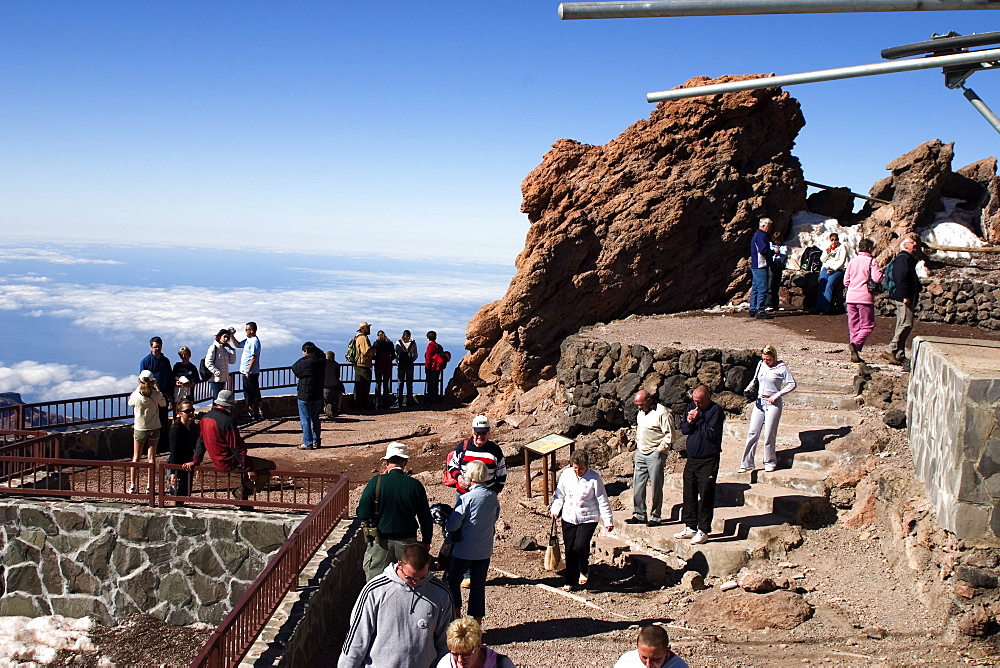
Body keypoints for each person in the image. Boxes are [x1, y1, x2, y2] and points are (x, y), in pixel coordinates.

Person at [339, 543, 453, 668]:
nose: (416, 582)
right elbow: (357, 638)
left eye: (422, 577)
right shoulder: (375, 590)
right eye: (410, 577)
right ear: (400, 565)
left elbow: (447, 642)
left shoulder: (441, 594)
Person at [356, 442, 434, 581]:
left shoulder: (376, 482)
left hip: (380, 542)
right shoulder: (415, 485)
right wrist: (426, 540)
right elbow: (425, 517)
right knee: (409, 582)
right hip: (407, 542)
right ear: (405, 462)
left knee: (376, 583)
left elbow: (362, 513)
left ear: (386, 462)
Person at [183, 390, 276, 501]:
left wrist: (196, 460)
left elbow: (201, 441)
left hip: (217, 460)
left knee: (257, 467)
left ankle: (243, 495)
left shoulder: (206, 418)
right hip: (229, 462)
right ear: (229, 406)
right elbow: (236, 447)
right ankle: (243, 491)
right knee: (269, 465)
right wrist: (248, 468)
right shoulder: (227, 421)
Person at [550, 450, 613, 591]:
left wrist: (608, 520)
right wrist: (555, 510)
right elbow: (559, 495)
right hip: (568, 517)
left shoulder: (594, 478)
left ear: (587, 466)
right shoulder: (566, 475)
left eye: (581, 468)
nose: (578, 471)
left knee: (580, 545)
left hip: (588, 517)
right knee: (569, 548)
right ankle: (570, 580)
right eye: (575, 468)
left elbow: (602, 500)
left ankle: (583, 567)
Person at [446, 461, 500, 623]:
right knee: (478, 586)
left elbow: (454, 524)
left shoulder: (467, 498)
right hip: (484, 549)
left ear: (470, 477)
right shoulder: (492, 497)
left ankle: (456, 616)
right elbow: (495, 518)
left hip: (464, 549)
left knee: (453, 580)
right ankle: (477, 623)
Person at [674, 385, 725, 546]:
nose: (696, 404)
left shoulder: (716, 411)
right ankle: (690, 526)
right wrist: (690, 421)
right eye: (694, 401)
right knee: (689, 493)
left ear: (707, 398)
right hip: (692, 459)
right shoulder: (691, 407)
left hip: (708, 460)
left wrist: (698, 419)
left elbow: (711, 432)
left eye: (699, 402)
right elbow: (684, 429)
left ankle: (703, 529)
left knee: (706, 495)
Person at [739, 345, 796, 474]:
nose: (766, 361)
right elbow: (755, 380)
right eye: (764, 359)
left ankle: (769, 461)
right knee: (752, 432)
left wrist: (777, 394)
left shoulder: (781, 368)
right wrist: (748, 389)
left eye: (768, 359)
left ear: (774, 357)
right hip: (760, 402)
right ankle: (746, 463)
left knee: (769, 433)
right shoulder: (761, 365)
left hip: (773, 404)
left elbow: (792, 384)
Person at [626, 390, 676, 527]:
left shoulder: (662, 412)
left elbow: (670, 434)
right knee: (637, 484)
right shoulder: (641, 413)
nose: (638, 407)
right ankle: (639, 514)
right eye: (637, 405)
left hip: (655, 453)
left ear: (648, 400)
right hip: (641, 452)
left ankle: (656, 516)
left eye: (641, 404)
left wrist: (660, 449)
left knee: (656, 485)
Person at [843, 238, 884, 363]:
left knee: (853, 325)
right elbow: (876, 279)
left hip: (851, 297)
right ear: (870, 249)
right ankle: (856, 344)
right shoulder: (871, 261)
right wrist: (883, 275)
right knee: (867, 325)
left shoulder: (852, 261)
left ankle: (853, 348)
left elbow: (846, 281)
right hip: (864, 297)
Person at [882, 233, 921, 365]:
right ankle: (891, 349)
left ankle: (899, 353)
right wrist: (905, 295)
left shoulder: (905, 258)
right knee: (906, 323)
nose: (915, 244)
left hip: (903, 296)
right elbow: (901, 278)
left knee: (902, 323)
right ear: (905, 245)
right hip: (904, 297)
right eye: (911, 243)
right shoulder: (903, 259)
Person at [446, 415, 507, 496]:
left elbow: (501, 475)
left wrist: (493, 493)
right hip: (463, 494)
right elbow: (452, 466)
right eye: (477, 433)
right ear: (472, 431)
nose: (480, 436)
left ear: (488, 431)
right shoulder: (463, 447)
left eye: (483, 433)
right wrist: (459, 478)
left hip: (486, 495)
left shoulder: (495, 450)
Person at [127, 369, 166, 494]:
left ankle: (133, 485)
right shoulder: (156, 394)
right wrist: (157, 388)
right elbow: (163, 404)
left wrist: (138, 387)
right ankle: (150, 485)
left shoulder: (136, 395)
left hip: (140, 428)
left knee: (136, 457)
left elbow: (130, 403)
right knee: (151, 458)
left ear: (140, 381)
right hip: (154, 427)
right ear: (152, 381)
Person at [435, 617, 515, 668]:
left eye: (466, 654)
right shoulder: (445, 664)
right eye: (455, 654)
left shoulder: (502, 664)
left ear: (478, 646)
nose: (460, 660)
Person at [292, 341, 326, 450]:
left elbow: (295, 368)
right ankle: (316, 441)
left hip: (304, 394)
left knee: (305, 420)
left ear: (306, 351)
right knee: (315, 418)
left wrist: (305, 358)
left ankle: (307, 442)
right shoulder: (321, 360)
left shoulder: (306, 362)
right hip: (317, 393)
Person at [139, 336, 173, 433]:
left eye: (159, 346)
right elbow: (142, 379)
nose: (157, 349)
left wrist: (170, 394)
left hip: (164, 395)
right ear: (151, 347)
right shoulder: (146, 361)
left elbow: (169, 377)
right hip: (151, 396)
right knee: (152, 420)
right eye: (155, 347)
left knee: (163, 420)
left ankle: (164, 443)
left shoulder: (165, 361)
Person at [614, 625, 689, 668]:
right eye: (644, 657)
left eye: (655, 658)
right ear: (637, 646)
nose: (648, 664)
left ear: (667, 651)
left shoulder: (679, 666)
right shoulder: (626, 662)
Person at [231, 322, 263, 420]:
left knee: (251, 393)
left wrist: (248, 371)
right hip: (247, 372)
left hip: (250, 373)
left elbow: (254, 357)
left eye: (246, 329)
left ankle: (253, 412)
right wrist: (232, 336)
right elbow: (238, 345)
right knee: (251, 392)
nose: (245, 331)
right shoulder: (248, 340)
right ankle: (255, 412)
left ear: (252, 330)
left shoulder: (254, 342)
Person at [168, 398, 198, 496]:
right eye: (187, 411)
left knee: (185, 494)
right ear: (180, 413)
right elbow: (173, 451)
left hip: (188, 465)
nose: (190, 413)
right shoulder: (176, 429)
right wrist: (172, 472)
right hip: (177, 466)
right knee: (175, 495)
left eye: (192, 410)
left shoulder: (193, 428)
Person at [814, 233, 848, 314]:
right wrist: (827, 253)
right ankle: (818, 307)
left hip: (837, 269)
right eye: (832, 240)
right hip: (826, 267)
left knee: (829, 285)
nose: (834, 242)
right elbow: (822, 260)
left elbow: (841, 261)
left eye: (835, 240)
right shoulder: (828, 247)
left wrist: (834, 269)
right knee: (822, 284)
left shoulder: (842, 247)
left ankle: (824, 308)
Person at [748, 217, 774, 319]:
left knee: (755, 287)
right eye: (769, 226)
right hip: (760, 264)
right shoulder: (761, 236)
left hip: (755, 264)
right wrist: (772, 252)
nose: (770, 228)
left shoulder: (756, 235)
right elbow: (763, 250)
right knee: (762, 288)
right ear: (764, 226)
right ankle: (760, 310)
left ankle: (753, 308)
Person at [205, 329, 237, 401]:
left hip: (222, 378)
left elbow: (232, 361)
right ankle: (215, 411)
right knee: (217, 399)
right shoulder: (213, 348)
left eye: (227, 338)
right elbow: (208, 362)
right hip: (215, 379)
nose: (226, 339)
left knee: (220, 399)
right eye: (224, 337)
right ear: (219, 337)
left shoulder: (223, 350)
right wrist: (216, 372)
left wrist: (231, 349)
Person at [372, 330, 396, 409]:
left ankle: (377, 404)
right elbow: (393, 355)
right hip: (387, 366)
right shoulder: (389, 344)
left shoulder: (376, 344)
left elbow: (373, 356)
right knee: (386, 385)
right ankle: (386, 404)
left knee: (378, 385)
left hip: (378, 366)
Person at [352, 323, 374, 410]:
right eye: (367, 328)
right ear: (362, 329)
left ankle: (357, 404)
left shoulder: (357, 337)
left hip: (358, 364)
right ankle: (363, 405)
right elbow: (366, 351)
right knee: (364, 385)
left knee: (359, 384)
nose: (369, 329)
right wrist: (374, 352)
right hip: (363, 364)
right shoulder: (363, 338)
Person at [395, 330, 418, 409]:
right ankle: (409, 402)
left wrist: (398, 363)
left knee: (400, 384)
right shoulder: (413, 344)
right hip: (409, 366)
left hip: (401, 366)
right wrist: (411, 361)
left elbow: (396, 355)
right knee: (409, 384)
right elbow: (415, 355)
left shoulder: (398, 343)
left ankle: (399, 402)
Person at [425, 331, 447, 404]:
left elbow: (428, 359)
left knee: (430, 385)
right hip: (438, 368)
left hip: (431, 368)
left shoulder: (430, 347)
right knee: (435, 384)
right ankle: (435, 400)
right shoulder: (439, 346)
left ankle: (431, 401)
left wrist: (427, 367)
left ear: (428, 338)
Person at [323, 351, 345, 417]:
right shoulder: (336, 364)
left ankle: (326, 406)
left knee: (325, 397)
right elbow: (337, 376)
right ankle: (338, 407)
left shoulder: (322, 364)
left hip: (325, 385)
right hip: (335, 385)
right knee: (340, 391)